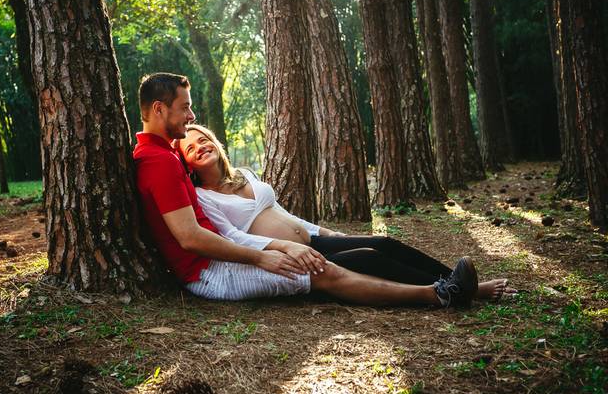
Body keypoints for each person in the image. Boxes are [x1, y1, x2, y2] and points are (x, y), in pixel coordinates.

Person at [133, 72, 478, 308]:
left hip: (225, 257)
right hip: (210, 273)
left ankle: (450, 287)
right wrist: (263, 255)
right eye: (184, 108)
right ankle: (440, 295)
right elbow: (191, 238)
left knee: (366, 252)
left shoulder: (164, 157)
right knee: (327, 272)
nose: (191, 116)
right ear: (159, 109)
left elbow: (219, 232)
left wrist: (282, 245)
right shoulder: (159, 161)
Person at [178, 124, 513, 301]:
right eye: (190, 148)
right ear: (188, 164)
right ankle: (463, 289)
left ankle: (461, 282)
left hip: (312, 239)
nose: (199, 147)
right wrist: (281, 249)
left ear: (215, 142)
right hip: (295, 255)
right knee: (367, 256)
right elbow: (233, 237)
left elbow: (281, 212)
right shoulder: (203, 197)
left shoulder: (244, 174)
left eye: (202, 140)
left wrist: (325, 232)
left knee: (384, 244)